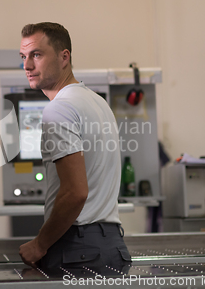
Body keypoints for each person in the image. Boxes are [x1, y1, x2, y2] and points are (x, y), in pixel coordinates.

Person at [18, 22, 131, 277]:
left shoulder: (59, 108)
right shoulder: (98, 103)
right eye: (24, 57)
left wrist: (40, 244)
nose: (27, 65)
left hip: (78, 251)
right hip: (112, 246)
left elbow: (76, 192)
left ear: (64, 57)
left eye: (36, 54)